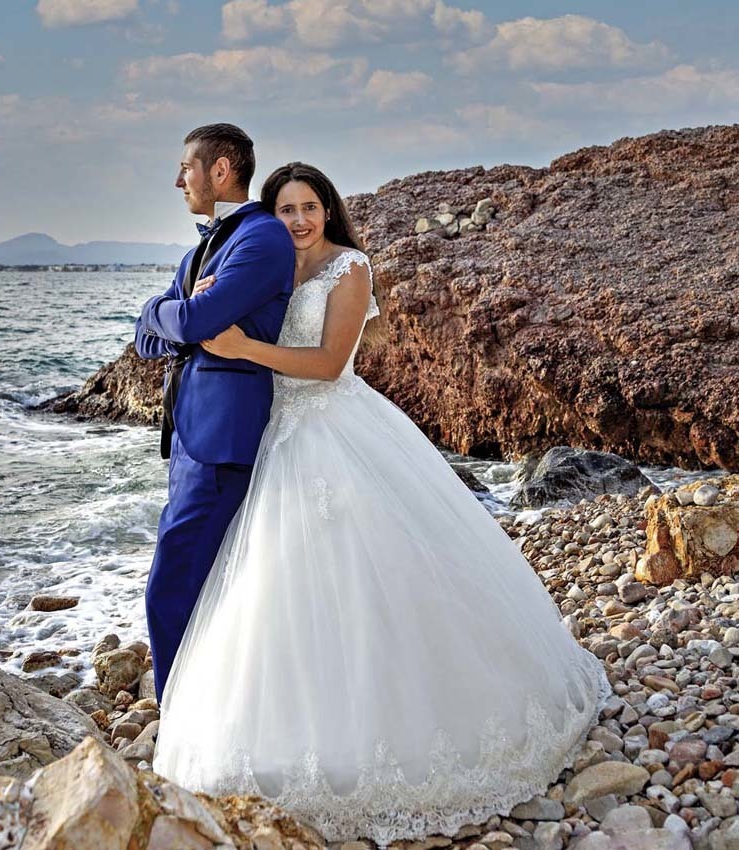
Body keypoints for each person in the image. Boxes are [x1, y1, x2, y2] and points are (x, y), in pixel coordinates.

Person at [150, 162, 611, 846]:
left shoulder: (350, 267)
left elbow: (328, 363)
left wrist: (244, 346)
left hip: (331, 428)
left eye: (309, 207)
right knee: (274, 585)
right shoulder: (270, 267)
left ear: (328, 210)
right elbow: (204, 315)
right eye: (285, 209)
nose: (299, 220)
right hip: (273, 434)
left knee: (367, 576)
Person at [133, 123, 295, 703]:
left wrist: (164, 310)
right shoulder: (198, 251)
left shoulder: (263, 238)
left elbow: (193, 322)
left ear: (220, 171)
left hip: (223, 438)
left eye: (187, 168)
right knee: (200, 578)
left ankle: (178, 715)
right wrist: (168, 312)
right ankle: (213, 703)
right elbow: (146, 340)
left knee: (171, 584)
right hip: (186, 437)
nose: (179, 181)